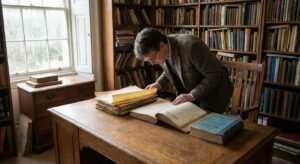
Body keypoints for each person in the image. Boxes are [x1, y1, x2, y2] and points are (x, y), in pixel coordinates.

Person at [134, 28, 233, 113]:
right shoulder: (161, 50)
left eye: (153, 58)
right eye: (148, 61)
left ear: (161, 46)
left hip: (213, 95)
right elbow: (172, 69)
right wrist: (159, 84)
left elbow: (214, 75)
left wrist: (191, 95)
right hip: (189, 94)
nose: (152, 63)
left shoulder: (192, 46)